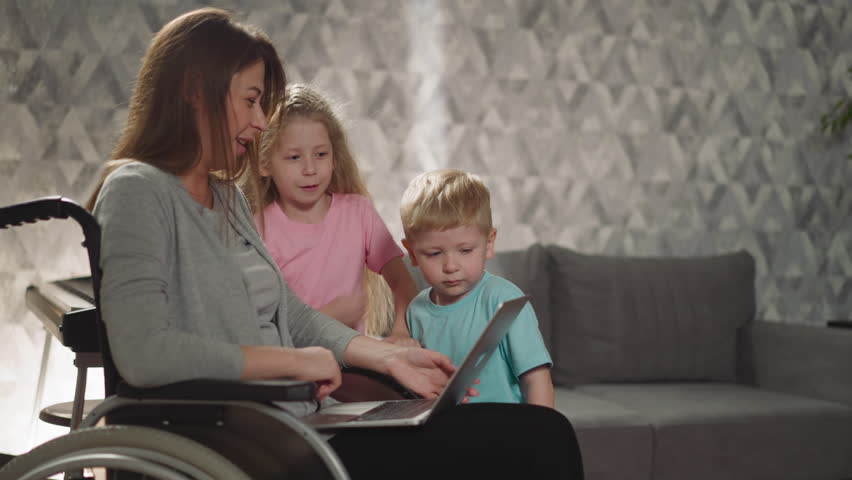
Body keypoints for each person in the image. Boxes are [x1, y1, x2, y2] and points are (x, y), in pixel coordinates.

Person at [88, 7, 583, 479]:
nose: (260, 122)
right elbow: (145, 353)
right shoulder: (138, 190)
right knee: (538, 440)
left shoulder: (227, 199)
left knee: (543, 431)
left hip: (299, 423)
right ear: (196, 89)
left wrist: (388, 357)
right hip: (249, 441)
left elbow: (289, 310)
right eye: (250, 99)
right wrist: (297, 362)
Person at [244, 84, 417, 343]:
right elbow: (260, 330)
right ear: (265, 164)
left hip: (355, 366)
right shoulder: (258, 231)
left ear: (335, 157)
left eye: (321, 154)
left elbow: (403, 284)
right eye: (294, 157)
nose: (310, 168)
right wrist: (332, 315)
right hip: (293, 369)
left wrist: (401, 331)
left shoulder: (358, 213)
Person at [400, 169, 554, 407]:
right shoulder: (416, 310)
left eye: (465, 251)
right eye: (434, 253)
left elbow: (536, 379)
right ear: (411, 253)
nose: (451, 266)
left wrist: (542, 436)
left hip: (504, 426)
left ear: (489, 243)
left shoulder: (504, 299)